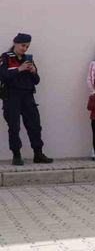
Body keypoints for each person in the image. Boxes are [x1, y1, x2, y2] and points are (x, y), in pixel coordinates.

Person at [0, 33, 53, 165]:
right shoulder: (6, 57)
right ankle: (16, 155)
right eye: (23, 45)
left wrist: (34, 71)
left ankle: (38, 154)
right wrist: (19, 69)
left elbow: (37, 81)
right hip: (11, 96)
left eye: (27, 46)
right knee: (14, 127)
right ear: (15, 43)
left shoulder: (28, 59)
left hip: (28, 96)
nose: (25, 49)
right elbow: (3, 75)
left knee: (34, 125)